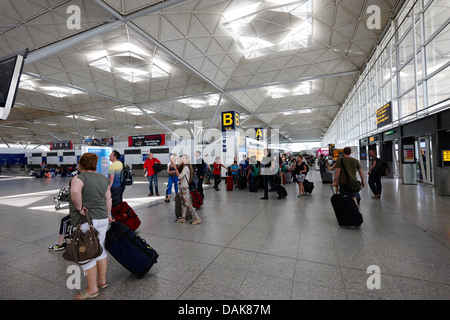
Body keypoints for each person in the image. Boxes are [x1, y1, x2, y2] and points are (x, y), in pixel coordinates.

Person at [69, 152, 113, 300]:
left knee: (85, 254)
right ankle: (102, 281)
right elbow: (108, 198)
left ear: (81, 164)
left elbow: (75, 191)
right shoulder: (103, 178)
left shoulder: (79, 177)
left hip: (87, 221)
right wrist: (108, 213)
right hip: (102, 218)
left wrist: (80, 208)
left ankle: (92, 289)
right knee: (99, 247)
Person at [175, 154, 201, 225]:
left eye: (183, 158)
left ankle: (197, 218)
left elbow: (180, 176)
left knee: (188, 203)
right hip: (183, 187)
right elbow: (183, 178)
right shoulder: (185, 167)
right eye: (182, 158)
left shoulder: (186, 167)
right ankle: (183, 218)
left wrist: (175, 169)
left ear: (187, 160)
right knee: (183, 203)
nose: (182, 159)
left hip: (185, 187)